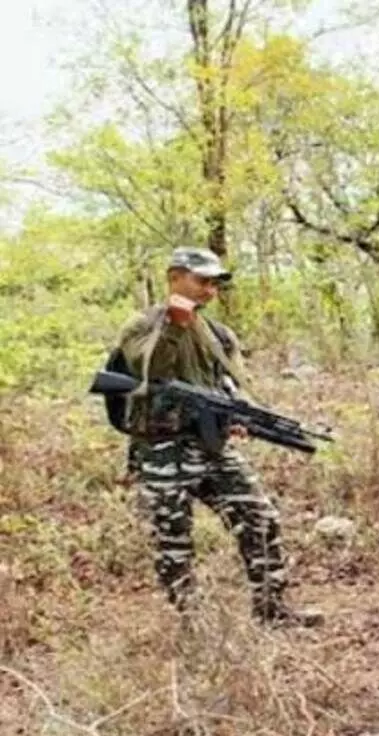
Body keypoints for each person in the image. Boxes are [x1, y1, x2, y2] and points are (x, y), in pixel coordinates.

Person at [110, 247, 322, 628]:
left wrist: (239, 415)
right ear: (175, 277)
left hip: (211, 445)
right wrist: (175, 325)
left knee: (260, 519)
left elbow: (231, 384)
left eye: (215, 284)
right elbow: (150, 370)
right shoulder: (141, 326)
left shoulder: (218, 334)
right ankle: (194, 624)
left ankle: (272, 610)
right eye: (202, 281)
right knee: (173, 540)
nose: (210, 290)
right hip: (161, 450)